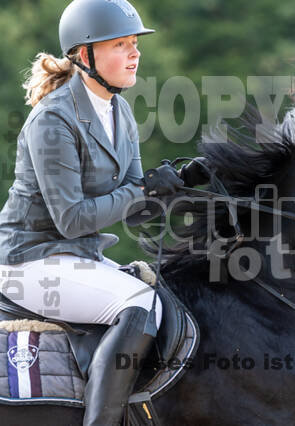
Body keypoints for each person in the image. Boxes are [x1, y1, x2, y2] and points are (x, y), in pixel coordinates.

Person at [0, 0, 207, 424]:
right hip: (31, 260)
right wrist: (143, 189)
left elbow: (130, 209)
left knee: (168, 298)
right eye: (120, 45)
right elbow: (73, 219)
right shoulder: (53, 120)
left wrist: (178, 185)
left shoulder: (120, 111)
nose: (135, 53)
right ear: (84, 55)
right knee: (143, 304)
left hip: (78, 257)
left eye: (135, 44)